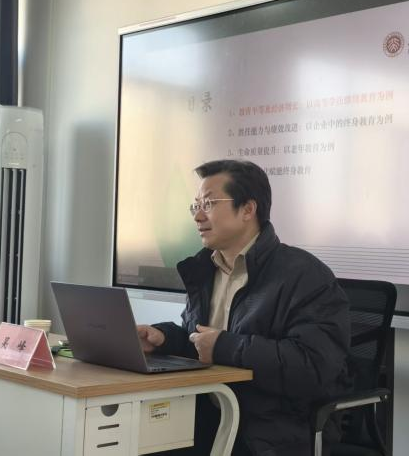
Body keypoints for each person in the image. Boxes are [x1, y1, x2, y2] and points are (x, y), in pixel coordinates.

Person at [138, 159, 351, 456]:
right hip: (209, 417)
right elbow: (200, 341)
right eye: (195, 206)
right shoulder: (205, 269)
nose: (198, 216)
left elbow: (312, 365)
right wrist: (164, 338)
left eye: (209, 204)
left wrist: (223, 346)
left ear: (248, 210)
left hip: (272, 430)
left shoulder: (305, 275)